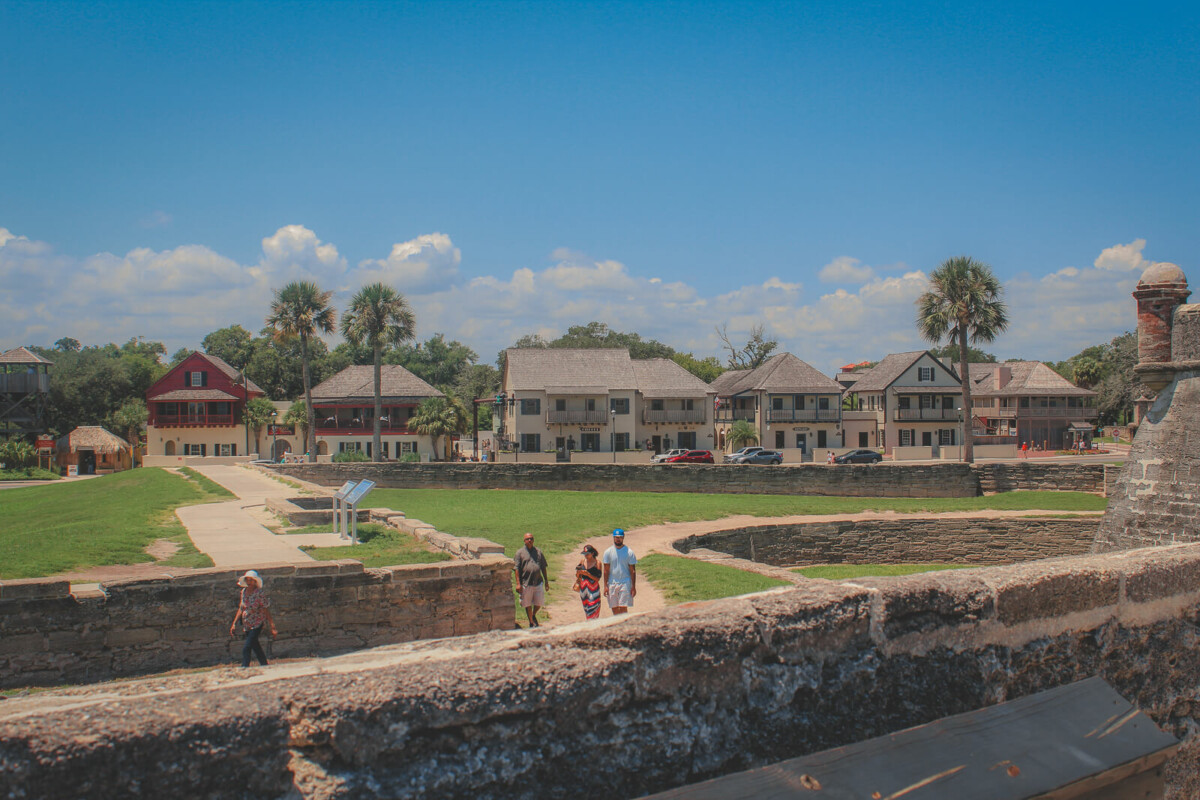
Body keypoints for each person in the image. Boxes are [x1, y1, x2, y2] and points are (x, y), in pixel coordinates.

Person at [229, 570, 276, 668]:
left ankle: (244, 666)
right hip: (247, 623)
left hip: (257, 622)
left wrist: (272, 625)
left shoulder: (259, 593)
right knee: (255, 646)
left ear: (255, 582)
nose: (249, 582)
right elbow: (241, 608)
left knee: (247, 647)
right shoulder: (244, 592)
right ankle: (264, 664)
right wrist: (234, 623)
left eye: (251, 580)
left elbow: (265, 609)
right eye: (248, 580)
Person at [514, 532, 549, 628]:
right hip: (526, 582)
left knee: (539, 603)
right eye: (527, 539)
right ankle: (531, 622)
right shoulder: (519, 553)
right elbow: (516, 569)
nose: (530, 540)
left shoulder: (538, 552)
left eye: (531, 539)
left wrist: (546, 581)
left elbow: (543, 567)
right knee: (527, 603)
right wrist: (518, 584)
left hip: (537, 582)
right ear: (524, 541)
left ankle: (533, 615)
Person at [602, 528, 637, 615]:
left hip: (625, 582)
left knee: (623, 607)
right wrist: (605, 586)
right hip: (612, 582)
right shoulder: (608, 552)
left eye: (620, 537)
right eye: (616, 537)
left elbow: (632, 570)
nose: (618, 539)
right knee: (614, 607)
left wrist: (633, 586)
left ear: (623, 537)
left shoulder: (629, 552)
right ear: (613, 538)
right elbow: (606, 570)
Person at [572, 545, 603, 620]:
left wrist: (588, 574)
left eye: (587, 554)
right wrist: (579, 573)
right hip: (584, 588)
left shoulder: (597, 563)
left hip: (593, 588)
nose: (586, 556)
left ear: (592, 553)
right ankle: (589, 622)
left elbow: (597, 578)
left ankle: (592, 622)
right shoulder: (582, 561)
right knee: (586, 607)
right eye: (585, 554)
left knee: (593, 606)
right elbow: (577, 575)